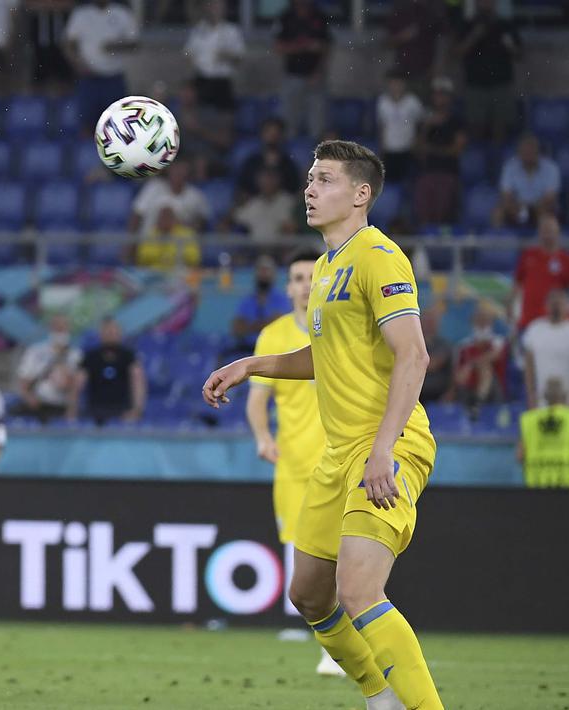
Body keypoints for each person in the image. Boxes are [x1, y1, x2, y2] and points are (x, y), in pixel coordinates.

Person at [203, 140, 443, 710]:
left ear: (361, 195)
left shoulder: (378, 257)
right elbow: (326, 354)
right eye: (309, 179)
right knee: (309, 596)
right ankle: (381, 698)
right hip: (340, 453)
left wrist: (384, 449)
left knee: (359, 591)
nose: (309, 188)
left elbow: (414, 356)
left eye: (325, 179)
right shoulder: (329, 267)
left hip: (389, 443)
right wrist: (252, 364)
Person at [246, 248, 345, 678]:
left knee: (345, 550)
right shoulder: (273, 336)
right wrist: (263, 438)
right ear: (287, 287)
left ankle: (340, 641)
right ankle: (312, 628)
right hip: (294, 464)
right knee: (299, 547)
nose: (305, 284)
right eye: (298, 277)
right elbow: (257, 398)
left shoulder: (340, 328)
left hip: (342, 459)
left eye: (311, 276)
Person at [63, 0, 139, 132]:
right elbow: (69, 44)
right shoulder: (81, 14)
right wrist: (77, 64)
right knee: (86, 124)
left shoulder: (122, 13)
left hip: (113, 77)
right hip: (89, 78)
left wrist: (116, 45)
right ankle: (86, 152)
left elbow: (134, 43)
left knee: (115, 125)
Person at [454, 0, 521, 144]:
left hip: (501, 83)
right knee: (475, 126)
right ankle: (478, 163)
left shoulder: (505, 24)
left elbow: (520, 54)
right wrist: (474, 36)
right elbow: (457, 53)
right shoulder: (468, 24)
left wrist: (510, 46)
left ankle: (498, 161)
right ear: (477, 3)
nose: (486, 3)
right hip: (475, 83)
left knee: (501, 126)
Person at [412, 77, 466, 226]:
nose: (440, 98)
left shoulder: (457, 120)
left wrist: (433, 150)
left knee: (443, 209)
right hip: (426, 172)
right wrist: (427, 127)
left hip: (448, 173)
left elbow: (457, 149)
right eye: (437, 94)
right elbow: (417, 149)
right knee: (422, 207)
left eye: (443, 94)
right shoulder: (424, 120)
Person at [71, 318, 145, 425]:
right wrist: (72, 410)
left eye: (114, 331)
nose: (111, 334)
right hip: (95, 411)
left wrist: (137, 410)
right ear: (100, 334)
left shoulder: (129, 356)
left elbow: (138, 382)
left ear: (120, 333)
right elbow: (77, 384)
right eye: (107, 331)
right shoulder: (90, 356)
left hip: (122, 411)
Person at [275, 0, 331, 140]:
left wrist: (318, 72)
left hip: (315, 77)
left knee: (317, 126)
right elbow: (278, 47)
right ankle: (289, 158)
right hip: (293, 76)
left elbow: (326, 47)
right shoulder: (285, 17)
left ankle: (316, 159)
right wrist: (303, 46)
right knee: (288, 124)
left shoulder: (319, 16)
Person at [12, 314, 82, 422]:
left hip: (60, 407)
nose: (60, 330)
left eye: (63, 327)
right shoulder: (35, 351)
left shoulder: (75, 355)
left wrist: (71, 409)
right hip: (37, 405)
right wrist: (29, 398)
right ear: (51, 328)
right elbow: (23, 380)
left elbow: (75, 386)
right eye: (57, 327)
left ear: (69, 329)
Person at [511, 215, 569, 333]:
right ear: (539, 233)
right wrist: (510, 306)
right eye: (544, 230)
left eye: (551, 230)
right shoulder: (528, 255)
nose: (547, 234)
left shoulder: (564, 260)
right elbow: (517, 283)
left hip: (553, 323)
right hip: (528, 320)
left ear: (558, 232)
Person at [183, 0, 243, 111]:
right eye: (213, 5)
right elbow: (188, 53)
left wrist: (226, 55)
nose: (215, 9)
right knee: (200, 115)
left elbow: (239, 58)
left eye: (219, 5)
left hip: (222, 81)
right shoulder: (198, 29)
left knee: (224, 117)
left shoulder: (231, 31)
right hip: (201, 80)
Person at [494, 133, 561, 228]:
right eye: (525, 151)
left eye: (531, 150)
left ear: (537, 151)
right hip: (516, 207)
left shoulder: (551, 168)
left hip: (540, 208)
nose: (528, 154)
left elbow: (550, 198)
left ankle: (540, 240)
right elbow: (506, 195)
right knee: (498, 213)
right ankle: (498, 240)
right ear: (519, 152)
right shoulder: (509, 167)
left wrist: (532, 208)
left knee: (545, 211)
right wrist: (518, 208)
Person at [231, 255, 291, 351]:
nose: (263, 274)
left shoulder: (282, 299)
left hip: (275, 349)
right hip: (246, 349)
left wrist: (249, 326)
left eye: (267, 270)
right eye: (261, 270)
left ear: (273, 274)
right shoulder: (247, 300)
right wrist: (268, 323)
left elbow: (283, 324)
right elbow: (237, 328)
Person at [518, 377, 569, 488]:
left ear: (545, 397)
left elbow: (520, 456)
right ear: (565, 396)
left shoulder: (529, 419)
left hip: (536, 487)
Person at [522, 289, 569, 408]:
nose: (556, 308)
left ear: (566, 306)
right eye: (553, 304)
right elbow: (529, 365)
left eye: (559, 304)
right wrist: (531, 394)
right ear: (546, 306)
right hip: (542, 398)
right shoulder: (535, 329)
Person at [375, 71, 423, 184]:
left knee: (408, 183)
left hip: (408, 149)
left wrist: (417, 145)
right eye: (393, 83)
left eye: (399, 83)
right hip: (390, 150)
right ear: (388, 84)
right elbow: (382, 126)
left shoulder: (413, 102)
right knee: (390, 184)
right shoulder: (382, 102)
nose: (396, 86)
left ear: (404, 84)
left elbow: (420, 124)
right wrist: (382, 149)